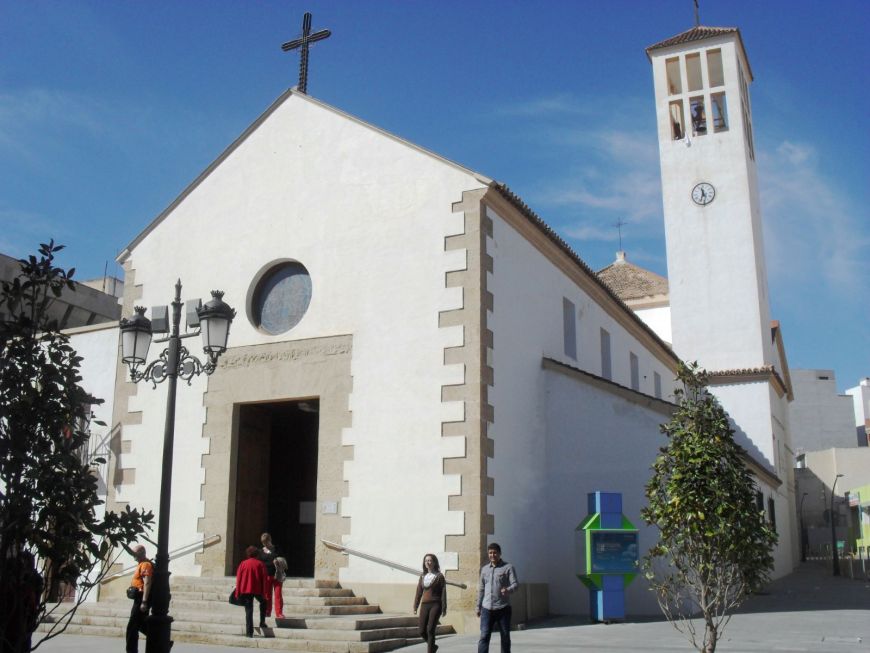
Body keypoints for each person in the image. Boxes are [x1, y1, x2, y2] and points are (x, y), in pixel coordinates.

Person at [476, 543, 518, 653]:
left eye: (495, 552)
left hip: (503, 608)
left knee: (505, 636)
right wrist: (478, 606)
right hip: (486, 609)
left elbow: (515, 584)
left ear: (499, 553)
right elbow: (481, 589)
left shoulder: (508, 567)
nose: (492, 555)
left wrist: (508, 589)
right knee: (484, 636)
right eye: (490, 553)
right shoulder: (484, 569)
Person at [413, 553, 447, 653]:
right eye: (426, 561)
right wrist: (415, 606)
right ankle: (433, 647)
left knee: (430, 629)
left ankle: (430, 651)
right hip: (424, 605)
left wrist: (444, 607)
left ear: (434, 562)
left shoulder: (439, 576)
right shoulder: (423, 576)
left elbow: (443, 593)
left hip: (436, 605)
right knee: (421, 631)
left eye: (430, 560)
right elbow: (419, 592)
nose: (428, 562)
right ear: (424, 563)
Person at [235, 545, 269, 637]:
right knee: (263, 603)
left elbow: (238, 579)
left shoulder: (243, 563)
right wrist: (265, 592)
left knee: (249, 611)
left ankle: (249, 633)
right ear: (257, 554)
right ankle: (262, 622)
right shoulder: (260, 564)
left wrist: (238, 592)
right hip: (258, 589)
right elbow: (264, 579)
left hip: (246, 590)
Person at [126, 544, 152, 653]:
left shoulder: (146, 564)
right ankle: (160, 638)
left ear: (141, 553)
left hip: (141, 599)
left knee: (132, 627)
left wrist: (144, 602)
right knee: (140, 624)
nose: (133, 556)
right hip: (139, 599)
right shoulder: (141, 564)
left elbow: (147, 583)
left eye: (135, 554)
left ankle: (131, 651)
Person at [258, 532, 286, 619]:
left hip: (277, 575)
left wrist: (278, 560)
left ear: (270, 540)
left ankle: (279, 613)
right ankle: (267, 611)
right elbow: (259, 564)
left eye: (266, 542)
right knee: (267, 595)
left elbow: (283, 559)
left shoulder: (277, 549)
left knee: (278, 595)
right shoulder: (260, 551)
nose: (265, 544)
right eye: (263, 543)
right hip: (266, 576)